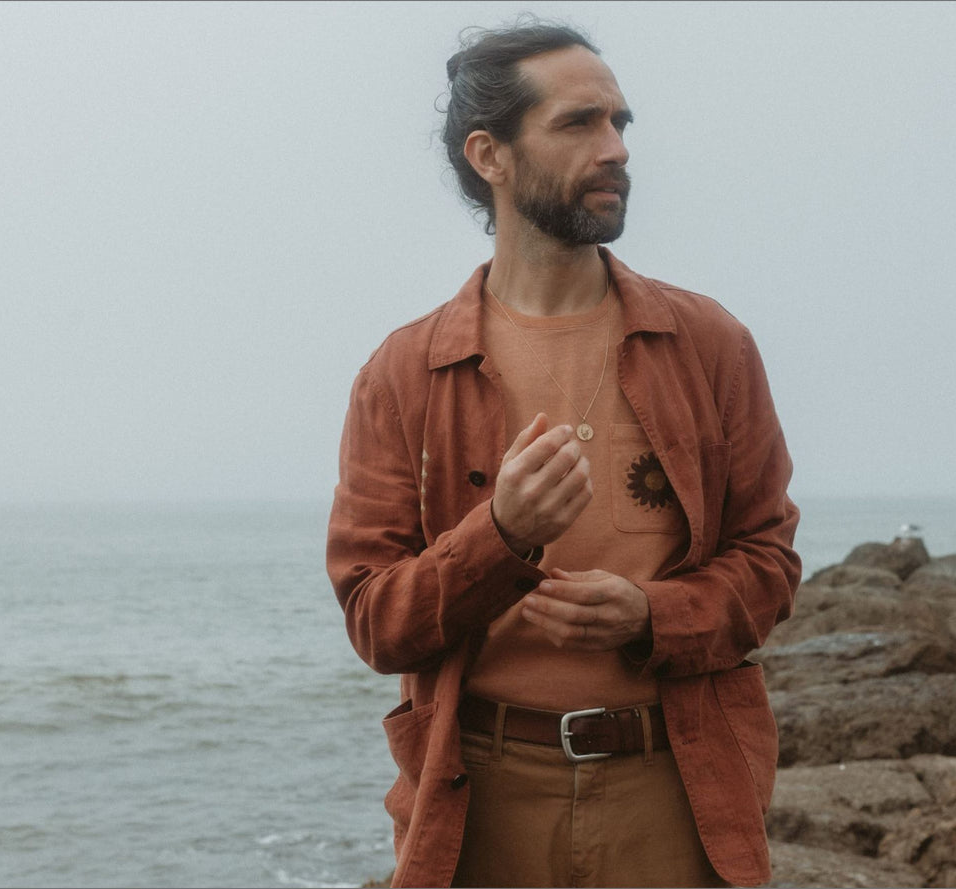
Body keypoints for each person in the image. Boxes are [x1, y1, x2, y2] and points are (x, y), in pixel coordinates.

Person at [326, 18, 800, 889]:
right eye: (579, 124)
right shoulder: (405, 372)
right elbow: (376, 620)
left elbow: (769, 567)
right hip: (481, 796)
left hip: (675, 786)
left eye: (621, 124)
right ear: (490, 156)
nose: (615, 148)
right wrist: (498, 536)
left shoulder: (708, 344)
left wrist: (651, 616)